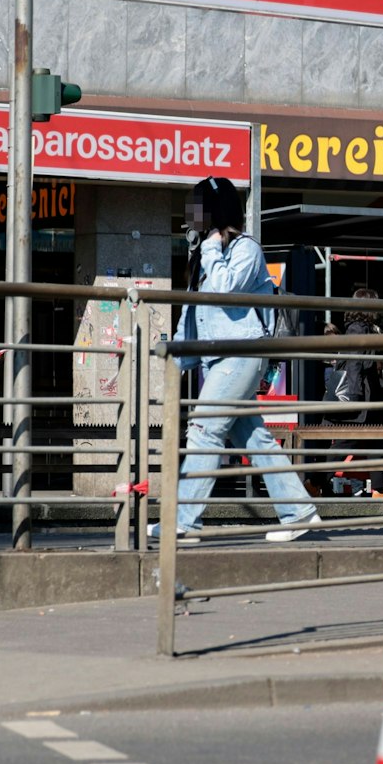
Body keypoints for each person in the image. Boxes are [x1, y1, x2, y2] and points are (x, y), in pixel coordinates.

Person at [151, 177, 318, 544]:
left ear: (213, 213)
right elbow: (191, 316)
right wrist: (174, 362)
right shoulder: (204, 257)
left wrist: (210, 247)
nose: (189, 219)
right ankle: (299, 511)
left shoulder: (246, 249)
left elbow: (227, 291)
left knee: (205, 428)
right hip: (218, 359)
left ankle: (184, 522)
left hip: (242, 353)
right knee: (256, 438)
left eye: (196, 209)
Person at [323, 289, 382, 495]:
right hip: (359, 394)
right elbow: (355, 363)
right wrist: (355, 397)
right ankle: (315, 481)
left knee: (375, 437)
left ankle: (379, 489)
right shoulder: (358, 328)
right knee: (347, 441)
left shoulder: (364, 328)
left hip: (367, 393)